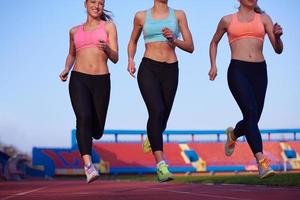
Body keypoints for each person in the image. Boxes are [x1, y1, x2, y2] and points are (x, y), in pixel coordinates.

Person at [209, 0, 283, 179]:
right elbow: (214, 42)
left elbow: (278, 50)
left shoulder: (264, 19)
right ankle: (261, 162)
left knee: (253, 118)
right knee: (250, 113)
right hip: (238, 70)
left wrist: (278, 36)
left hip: (259, 71)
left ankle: (233, 134)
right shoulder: (227, 20)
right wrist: (213, 65)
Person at [127, 0, 194, 182]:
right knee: (156, 110)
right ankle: (161, 165)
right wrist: (131, 60)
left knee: (163, 116)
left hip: (171, 70)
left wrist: (174, 39)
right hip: (148, 67)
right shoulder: (141, 16)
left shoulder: (179, 15)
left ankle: (152, 135)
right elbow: (132, 41)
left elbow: (190, 46)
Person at [59, 0, 118, 183]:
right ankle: (88, 166)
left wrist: (107, 48)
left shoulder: (109, 27)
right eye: (93, 1)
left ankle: (93, 137)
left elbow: (115, 57)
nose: (96, 5)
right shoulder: (74, 31)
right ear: (85, 4)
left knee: (97, 130)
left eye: (100, 3)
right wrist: (66, 69)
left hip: (101, 81)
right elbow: (71, 54)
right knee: (83, 117)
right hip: (79, 79)